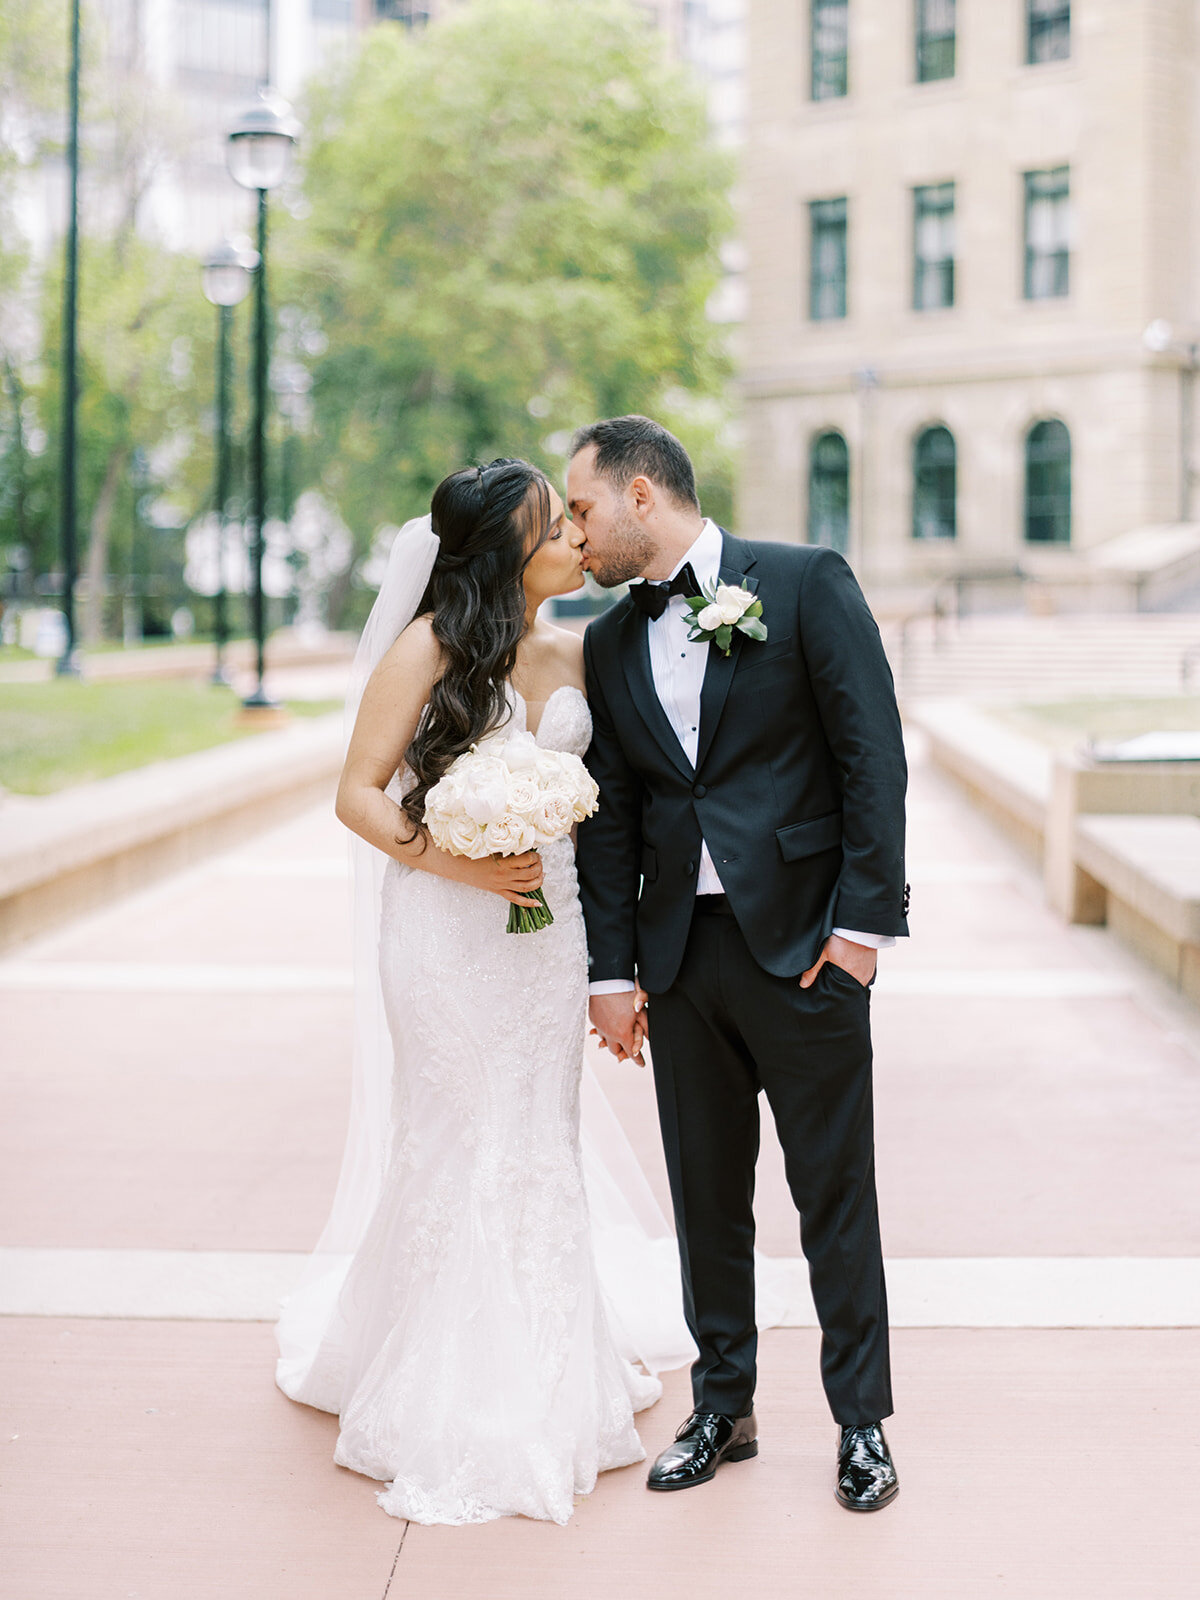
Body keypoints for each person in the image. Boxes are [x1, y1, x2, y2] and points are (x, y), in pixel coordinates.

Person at [274, 458, 663, 1526]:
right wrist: (461, 860)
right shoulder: (430, 648)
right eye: (556, 530)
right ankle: (455, 1385)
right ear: (505, 554)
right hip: (445, 934)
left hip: (550, 938)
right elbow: (356, 791)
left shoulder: (580, 647)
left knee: (537, 1135)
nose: (579, 540)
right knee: (465, 1135)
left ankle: (548, 1359)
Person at [570, 415, 909, 1512]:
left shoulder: (805, 584)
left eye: (581, 509)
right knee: (705, 1198)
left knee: (832, 1197)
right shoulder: (610, 643)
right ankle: (726, 1404)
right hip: (680, 961)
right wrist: (611, 971)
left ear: (639, 496)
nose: (574, 534)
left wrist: (861, 929)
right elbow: (612, 817)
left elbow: (873, 756)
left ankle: (861, 1423)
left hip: (807, 948)